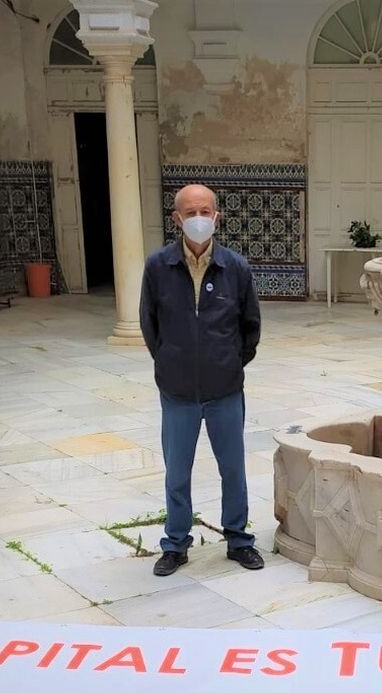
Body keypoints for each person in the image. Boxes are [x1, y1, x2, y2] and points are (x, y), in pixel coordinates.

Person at [140, 184, 264, 576]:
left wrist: (228, 364)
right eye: (190, 213)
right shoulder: (158, 267)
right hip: (177, 393)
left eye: (205, 211)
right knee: (177, 472)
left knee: (233, 468)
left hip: (225, 391)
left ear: (216, 216)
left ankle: (238, 539)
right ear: (177, 219)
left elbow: (250, 328)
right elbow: (149, 324)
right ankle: (176, 544)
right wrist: (171, 362)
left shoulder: (235, 267)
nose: (198, 219)